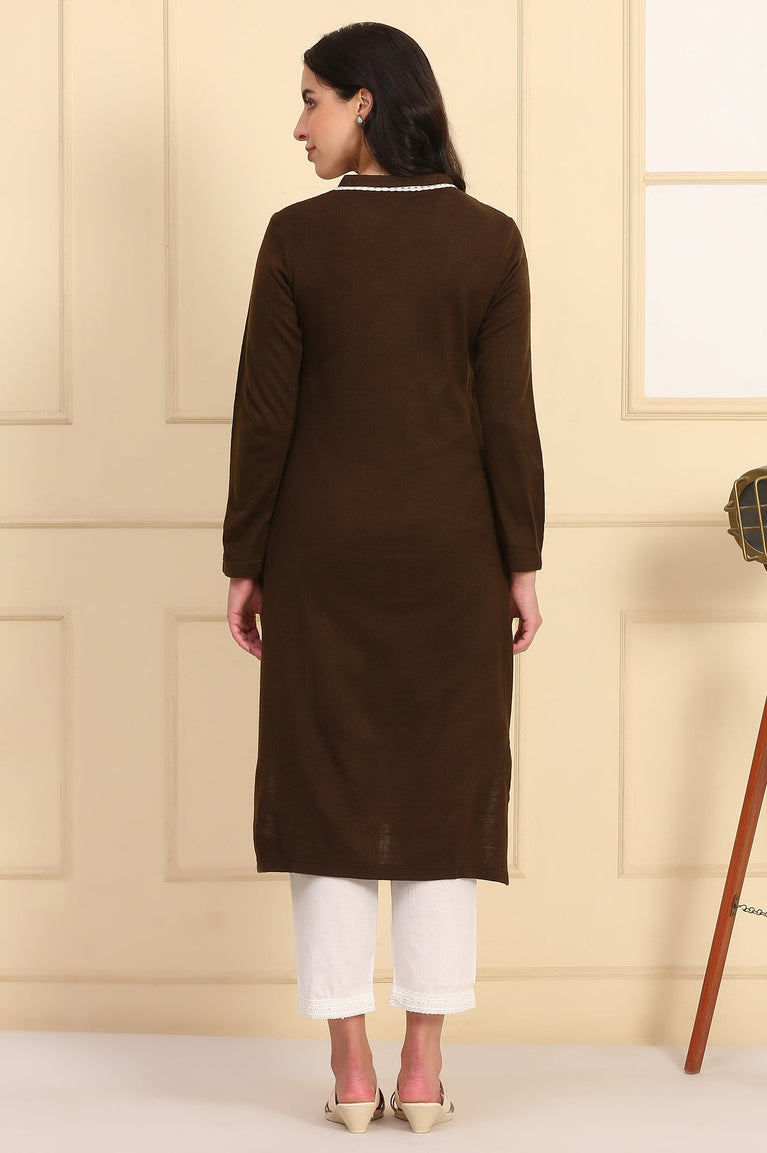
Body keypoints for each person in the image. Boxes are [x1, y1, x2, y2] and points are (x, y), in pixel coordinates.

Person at [222, 21, 544, 1134]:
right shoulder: (489, 241)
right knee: (442, 801)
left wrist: (245, 560)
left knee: (327, 798)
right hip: (455, 561)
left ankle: (350, 1071)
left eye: (310, 99)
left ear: (363, 103)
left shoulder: (296, 238)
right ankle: (422, 1072)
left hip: (319, 558)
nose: (297, 124)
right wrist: (520, 563)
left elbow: (263, 419)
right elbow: (506, 421)